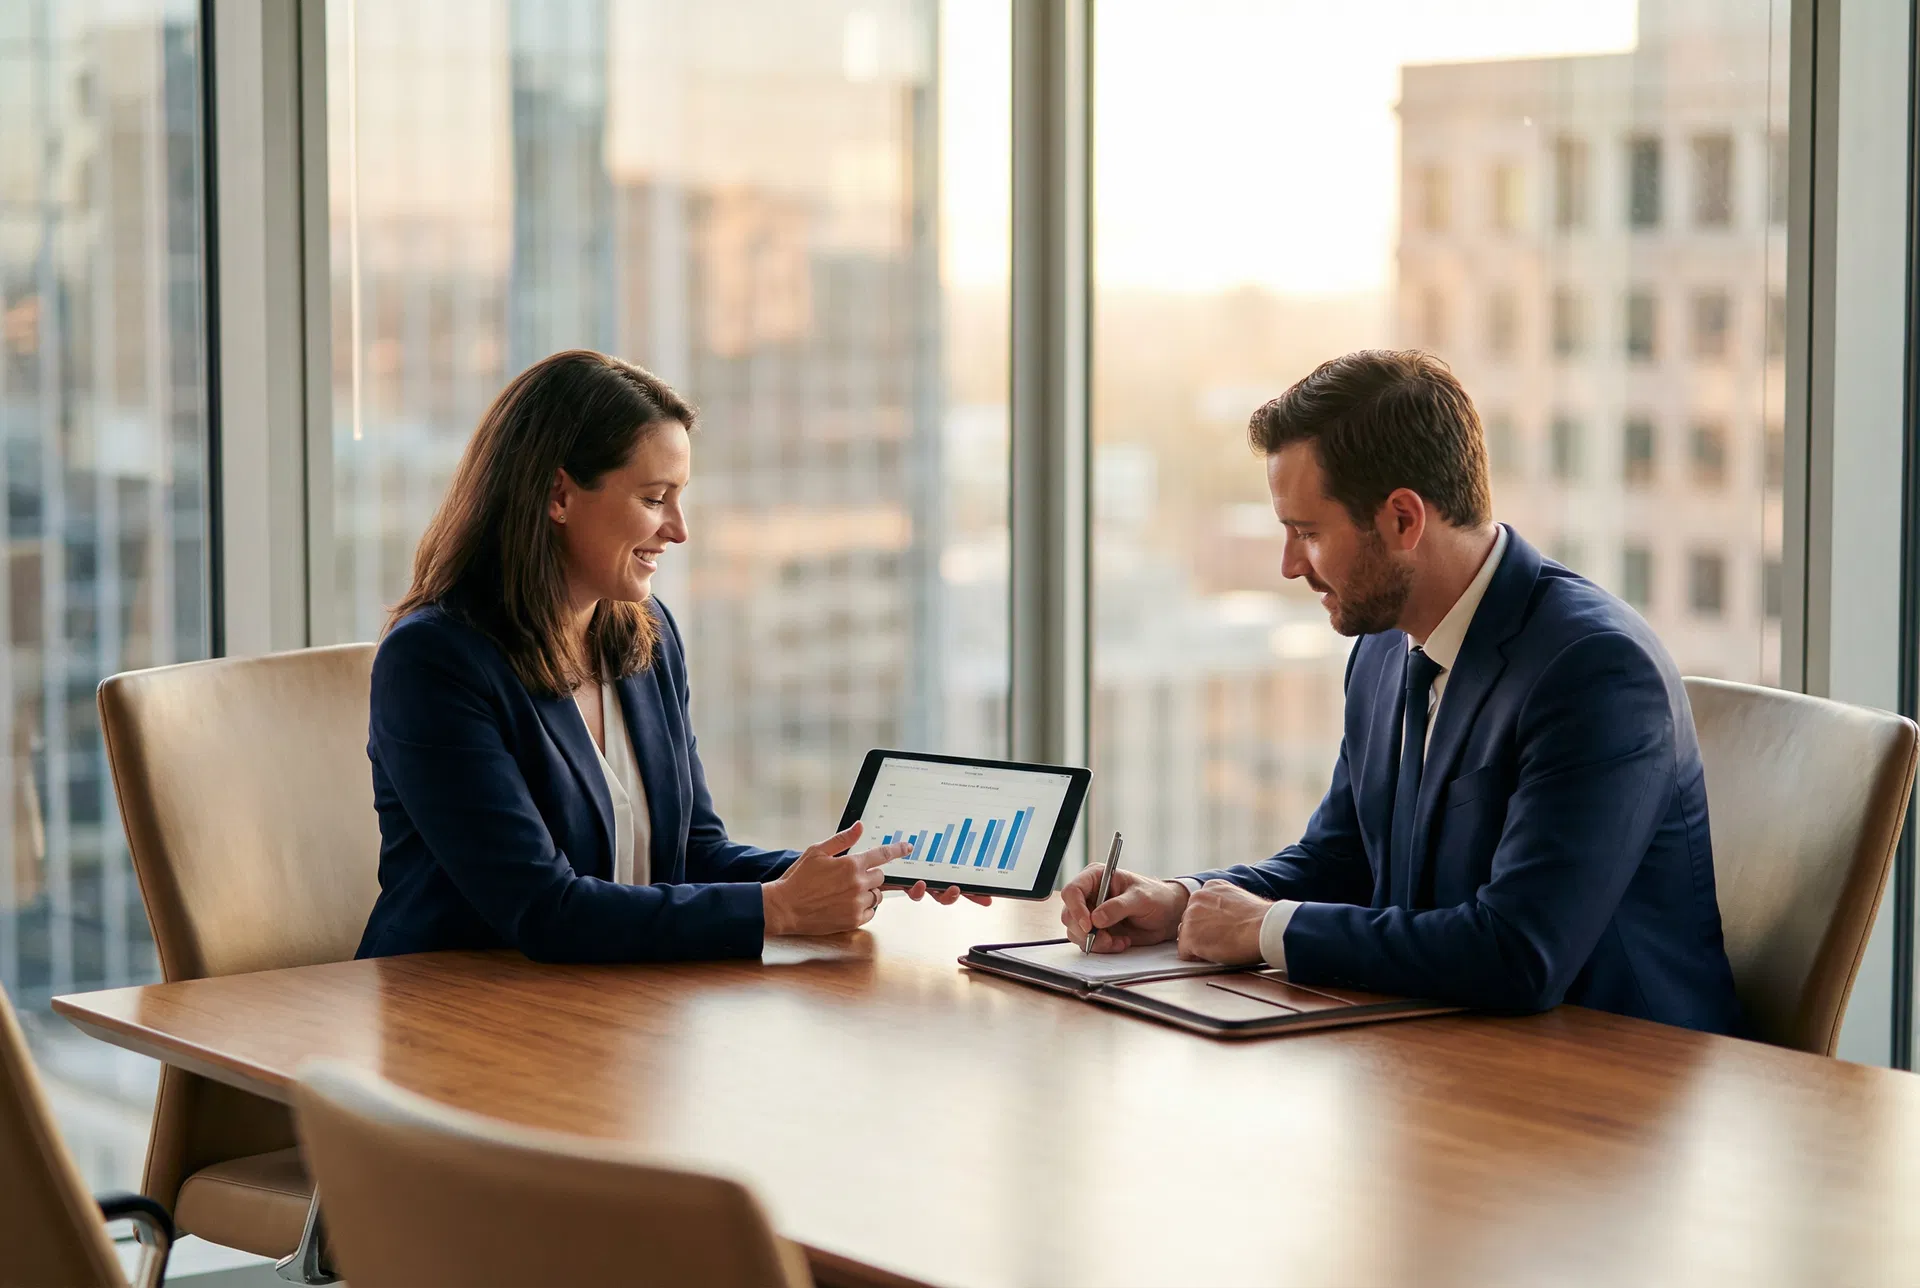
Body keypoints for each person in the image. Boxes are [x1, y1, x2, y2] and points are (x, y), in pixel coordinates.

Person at [1061, 350, 1740, 1032]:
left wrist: (1269, 930)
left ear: (1403, 520)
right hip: (1444, 1056)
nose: (1290, 565)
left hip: (1614, 1083)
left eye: (1307, 533)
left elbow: (1519, 953)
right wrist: (1184, 901)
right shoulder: (1384, 647)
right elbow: (1341, 858)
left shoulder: (1595, 670)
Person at [358, 350, 977, 964]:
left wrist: (852, 875)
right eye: (655, 498)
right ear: (558, 494)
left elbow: (694, 853)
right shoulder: (434, 661)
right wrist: (780, 908)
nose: (679, 529)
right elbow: (543, 909)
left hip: (617, 1009)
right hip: (456, 1017)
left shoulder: (643, 635)